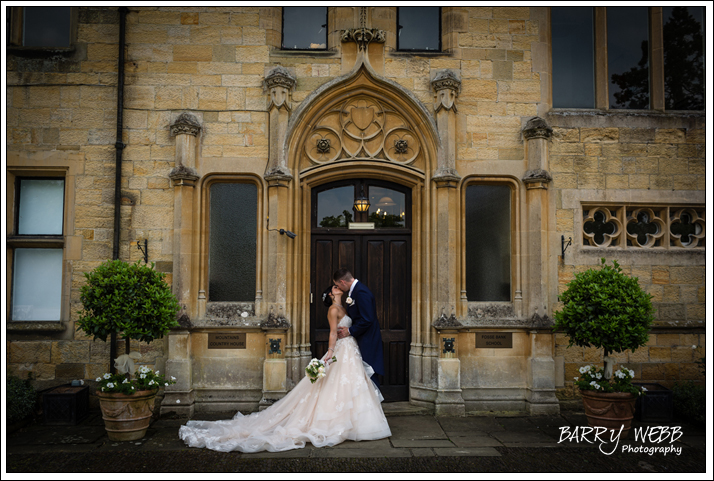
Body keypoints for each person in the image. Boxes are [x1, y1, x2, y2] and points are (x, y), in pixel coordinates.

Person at [178, 284, 391, 453]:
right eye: (335, 288)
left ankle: (356, 423)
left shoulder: (345, 307)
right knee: (336, 386)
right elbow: (333, 332)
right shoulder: (334, 309)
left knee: (351, 385)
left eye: (337, 286)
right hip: (341, 350)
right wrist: (330, 351)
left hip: (351, 349)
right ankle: (336, 423)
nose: (338, 288)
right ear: (331, 294)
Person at [333, 268, 384, 391]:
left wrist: (349, 331)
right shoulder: (355, 291)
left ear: (342, 282)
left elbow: (367, 319)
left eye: (337, 285)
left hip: (368, 340)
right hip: (361, 339)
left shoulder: (361, 292)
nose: (338, 288)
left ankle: (374, 406)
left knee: (369, 371)